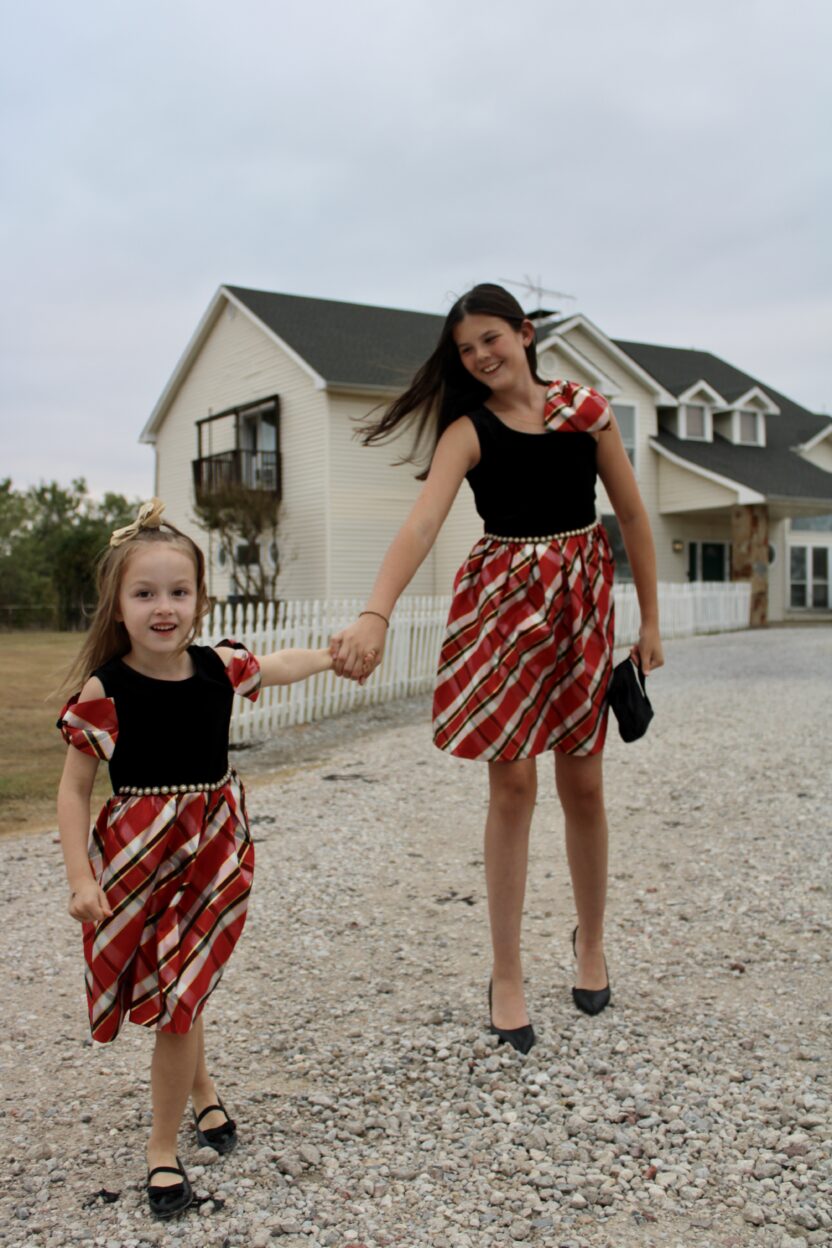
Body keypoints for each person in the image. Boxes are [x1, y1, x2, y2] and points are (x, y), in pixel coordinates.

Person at [331, 283, 663, 1054]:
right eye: (465, 349)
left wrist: (648, 618)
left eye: (490, 338)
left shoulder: (586, 411)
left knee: (584, 778)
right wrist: (376, 614)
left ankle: (589, 942)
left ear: (524, 331)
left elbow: (635, 516)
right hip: (503, 614)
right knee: (512, 782)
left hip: (580, 607)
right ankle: (506, 972)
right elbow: (420, 526)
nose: (481, 357)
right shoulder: (466, 431)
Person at [56, 500, 334, 1219]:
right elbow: (73, 790)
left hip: (212, 853)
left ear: (201, 601)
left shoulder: (218, 668)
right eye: (145, 594)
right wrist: (81, 879)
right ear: (118, 607)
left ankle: (160, 1147)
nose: (163, 607)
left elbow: (278, 664)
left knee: (183, 990)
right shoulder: (105, 692)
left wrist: (334, 655)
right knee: (173, 988)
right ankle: (201, 1094)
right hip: (137, 862)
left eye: (179, 593)